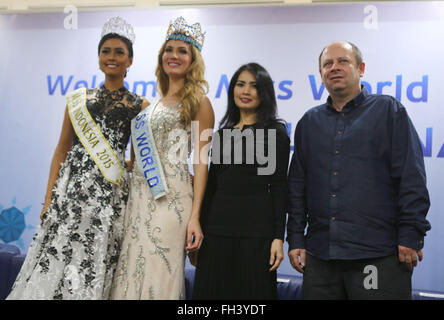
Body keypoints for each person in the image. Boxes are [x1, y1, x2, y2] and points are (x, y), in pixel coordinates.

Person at [7, 17, 149, 300]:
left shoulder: (140, 105)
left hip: (109, 197)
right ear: (98, 57)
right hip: (72, 194)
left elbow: (135, 160)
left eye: (119, 52)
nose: (112, 57)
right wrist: (49, 199)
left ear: (130, 60)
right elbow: (61, 149)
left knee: (94, 259)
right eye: (106, 51)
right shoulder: (78, 99)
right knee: (59, 255)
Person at [287, 41, 431, 300]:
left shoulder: (389, 111)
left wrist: (411, 234)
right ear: (321, 74)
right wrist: (296, 238)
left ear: (361, 68)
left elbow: (412, 178)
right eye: (327, 64)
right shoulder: (309, 122)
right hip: (321, 257)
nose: (335, 68)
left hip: (378, 255)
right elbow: (298, 187)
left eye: (343, 61)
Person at [110, 17, 214, 300]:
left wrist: (195, 217)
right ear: (161, 56)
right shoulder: (149, 104)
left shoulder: (199, 102)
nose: (174, 56)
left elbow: (201, 163)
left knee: (159, 274)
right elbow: (139, 160)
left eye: (183, 51)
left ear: (193, 60)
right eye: (169, 49)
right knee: (131, 271)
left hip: (172, 202)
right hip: (139, 201)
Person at [192, 63, 290, 300]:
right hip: (215, 236)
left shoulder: (275, 132)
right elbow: (212, 187)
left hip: (256, 238)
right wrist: (200, 231)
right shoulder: (223, 134)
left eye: (254, 86)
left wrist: (278, 237)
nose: (245, 91)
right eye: (240, 84)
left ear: (264, 92)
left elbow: (279, 189)